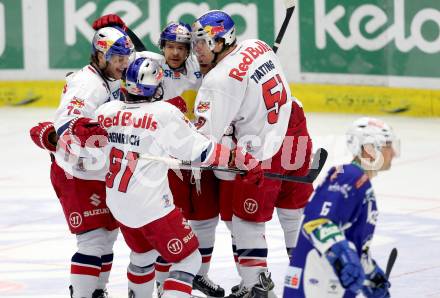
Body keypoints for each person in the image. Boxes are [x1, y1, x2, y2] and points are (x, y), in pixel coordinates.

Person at [94, 56, 262, 298]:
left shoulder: (105, 111)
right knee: (189, 258)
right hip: (152, 209)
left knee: (142, 257)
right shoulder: (164, 112)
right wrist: (240, 159)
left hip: (119, 205)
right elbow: (202, 151)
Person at [92, 15, 225, 296]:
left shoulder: (196, 65)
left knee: (205, 219)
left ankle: (196, 277)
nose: (175, 52)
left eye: (182, 47)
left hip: (181, 148)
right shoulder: (152, 65)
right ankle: (170, 283)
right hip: (166, 156)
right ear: (161, 47)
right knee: (169, 230)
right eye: (170, 46)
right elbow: (130, 54)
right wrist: (121, 31)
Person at [190, 10, 314, 298]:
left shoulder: (217, 82)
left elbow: (203, 139)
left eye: (202, 42)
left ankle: (255, 285)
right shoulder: (257, 45)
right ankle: (310, 276)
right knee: (293, 212)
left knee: (245, 221)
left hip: (262, 150)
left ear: (222, 41)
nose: (196, 50)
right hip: (294, 131)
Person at [29, 26, 134, 298]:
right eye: (117, 58)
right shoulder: (86, 85)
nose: (124, 64)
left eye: (125, 57)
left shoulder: (109, 77)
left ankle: (97, 291)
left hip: (97, 172)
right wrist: (89, 143)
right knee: (92, 240)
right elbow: (66, 126)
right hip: (76, 173)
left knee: (108, 236)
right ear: (100, 56)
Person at [283, 117, 398, 298]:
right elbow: (317, 223)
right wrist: (344, 255)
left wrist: (371, 275)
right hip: (313, 285)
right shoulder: (349, 175)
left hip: (329, 287)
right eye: (387, 145)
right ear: (369, 149)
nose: (393, 153)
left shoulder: (360, 182)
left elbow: (350, 242)